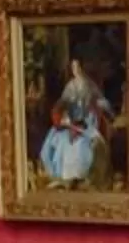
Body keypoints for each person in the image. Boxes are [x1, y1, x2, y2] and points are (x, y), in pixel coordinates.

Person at [39, 57, 109, 186]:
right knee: (55, 139)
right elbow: (62, 102)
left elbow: (101, 101)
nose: (75, 70)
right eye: (73, 67)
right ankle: (59, 175)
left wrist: (97, 105)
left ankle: (79, 174)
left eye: (77, 67)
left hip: (85, 122)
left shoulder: (89, 84)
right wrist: (62, 114)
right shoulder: (70, 86)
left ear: (82, 68)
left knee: (86, 142)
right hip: (70, 122)